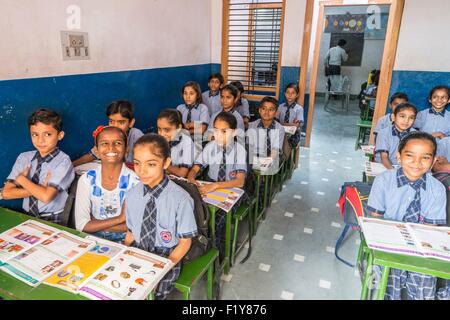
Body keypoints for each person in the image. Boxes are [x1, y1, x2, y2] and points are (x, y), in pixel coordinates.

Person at [368, 132, 447, 300]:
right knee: (391, 275)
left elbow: (430, 230)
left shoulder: (437, 189)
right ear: (398, 156)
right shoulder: (383, 181)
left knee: (425, 278)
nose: (416, 163)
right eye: (410, 156)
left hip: (421, 246)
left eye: (425, 158)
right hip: (388, 243)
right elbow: (376, 221)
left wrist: (415, 254)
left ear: (433, 161)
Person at [124, 134, 198, 300]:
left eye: (151, 164)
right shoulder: (132, 195)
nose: (142, 170)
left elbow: (185, 242)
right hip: (139, 249)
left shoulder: (181, 199)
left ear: (166, 163)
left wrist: (162, 269)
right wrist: (123, 255)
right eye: (137, 163)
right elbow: (130, 232)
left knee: (150, 293)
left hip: (167, 256)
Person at [188, 112, 247, 258]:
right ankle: (200, 248)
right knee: (196, 215)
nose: (219, 135)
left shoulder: (239, 150)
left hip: (232, 191)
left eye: (224, 131)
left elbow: (240, 181)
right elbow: (197, 167)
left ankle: (217, 258)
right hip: (211, 188)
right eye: (215, 130)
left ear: (233, 132)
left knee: (215, 223)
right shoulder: (210, 146)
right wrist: (191, 177)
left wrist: (215, 186)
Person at [2, 109, 75, 224]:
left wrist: (22, 180)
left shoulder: (63, 162)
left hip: (53, 218)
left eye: (47, 134)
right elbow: (6, 193)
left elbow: (46, 197)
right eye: (35, 134)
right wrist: (40, 188)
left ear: (60, 135)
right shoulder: (24, 158)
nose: (40, 140)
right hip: (26, 215)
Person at [74, 126, 139, 243]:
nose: (111, 148)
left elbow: (135, 228)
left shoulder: (136, 183)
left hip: (127, 243)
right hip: (91, 241)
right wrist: (120, 219)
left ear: (127, 149)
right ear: (97, 150)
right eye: (104, 143)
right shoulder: (87, 179)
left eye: (118, 143)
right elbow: (81, 226)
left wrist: (94, 222)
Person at [72, 100, 143, 167]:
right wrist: (71, 166)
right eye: (111, 121)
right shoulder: (107, 134)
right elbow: (92, 155)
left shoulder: (136, 135)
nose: (115, 126)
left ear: (131, 123)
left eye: (121, 122)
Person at [375, 103, 417, 169]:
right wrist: (393, 173)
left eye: (411, 118)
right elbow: (384, 157)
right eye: (402, 116)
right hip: (384, 166)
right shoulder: (383, 133)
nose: (406, 121)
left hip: (405, 168)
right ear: (393, 117)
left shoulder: (416, 135)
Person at [157, 109, 195, 178]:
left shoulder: (187, 142)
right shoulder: (159, 141)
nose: (162, 134)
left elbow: (182, 173)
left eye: (167, 130)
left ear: (179, 128)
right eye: (159, 129)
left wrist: (161, 163)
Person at [277, 83, 304, 147]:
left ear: (297, 95)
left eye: (293, 93)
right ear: (285, 94)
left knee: (287, 141)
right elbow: (276, 122)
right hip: (280, 132)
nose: (290, 95)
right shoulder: (280, 107)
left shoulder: (299, 109)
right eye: (288, 92)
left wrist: (282, 123)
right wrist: (292, 124)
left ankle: (285, 156)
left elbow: (297, 125)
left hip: (293, 135)